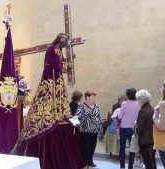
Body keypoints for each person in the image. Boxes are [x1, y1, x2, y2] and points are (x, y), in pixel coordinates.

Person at [14, 33, 86, 169]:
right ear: (58, 39)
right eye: (62, 39)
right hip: (50, 79)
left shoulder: (59, 50)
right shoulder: (52, 48)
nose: (64, 41)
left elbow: (63, 67)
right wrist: (66, 63)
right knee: (47, 98)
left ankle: (60, 113)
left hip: (58, 80)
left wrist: (69, 62)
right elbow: (58, 65)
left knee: (60, 97)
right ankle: (50, 115)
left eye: (65, 39)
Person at [75, 91, 103, 167]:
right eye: (92, 97)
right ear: (87, 97)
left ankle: (90, 161)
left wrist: (101, 131)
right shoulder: (81, 106)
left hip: (94, 131)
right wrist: (85, 116)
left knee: (92, 148)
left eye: (94, 97)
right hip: (85, 131)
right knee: (86, 148)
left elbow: (99, 118)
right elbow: (77, 117)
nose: (94, 98)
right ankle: (84, 162)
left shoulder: (96, 106)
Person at [118, 88, 140, 169]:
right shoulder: (139, 104)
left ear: (127, 95)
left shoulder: (124, 104)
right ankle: (130, 167)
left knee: (122, 147)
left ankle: (122, 167)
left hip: (124, 128)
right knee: (132, 148)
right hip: (134, 128)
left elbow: (120, 116)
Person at [136, 89, 156, 169]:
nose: (137, 102)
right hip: (152, 139)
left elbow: (140, 128)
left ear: (141, 99)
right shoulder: (151, 108)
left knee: (148, 163)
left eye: (138, 99)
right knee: (152, 161)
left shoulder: (142, 111)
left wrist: (135, 127)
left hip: (145, 141)